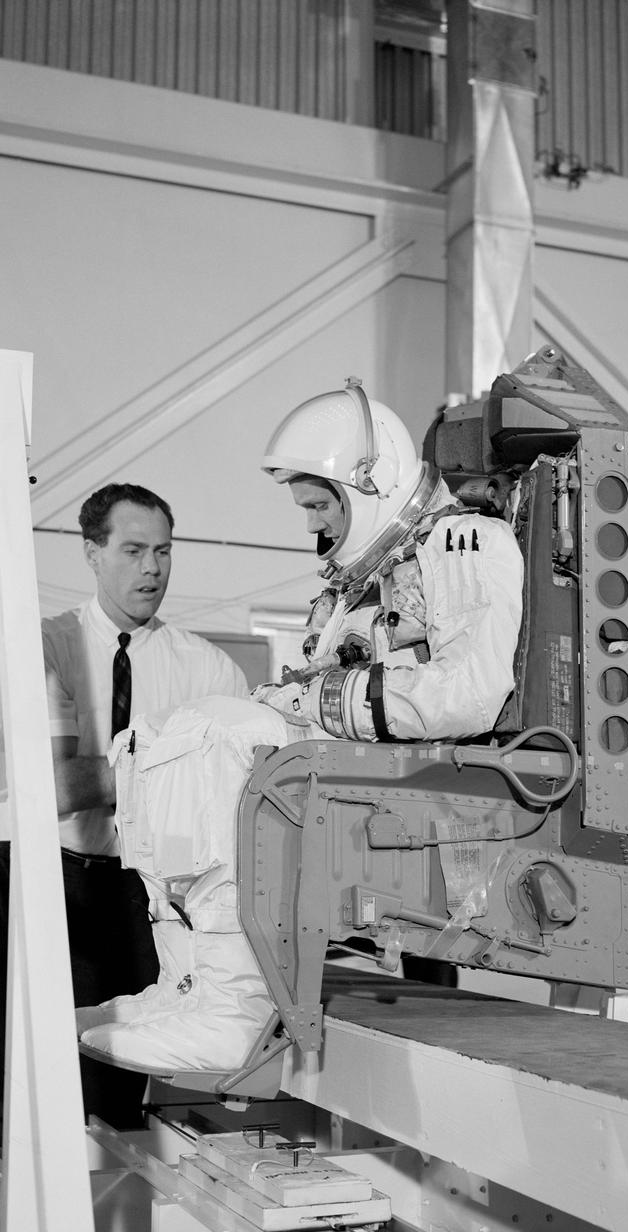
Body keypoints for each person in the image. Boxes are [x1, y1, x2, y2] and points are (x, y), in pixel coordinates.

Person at [76, 380, 524, 1074]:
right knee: (150, 742)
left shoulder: (464, 544)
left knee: (219, 736)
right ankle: (188, 985)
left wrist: (313, 703)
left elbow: (468, 696)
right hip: (358, 771)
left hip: (436, 784)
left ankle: (237, 1006)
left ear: (368, 486)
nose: (315, 523)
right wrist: (302, 698)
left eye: (320, 504)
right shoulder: (356, 584)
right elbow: (323, 686)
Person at [0, 482, 250, 1140]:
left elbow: (240, 794)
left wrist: (111, 775)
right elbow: (52, 789)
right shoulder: (48, 645)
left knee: (125, 1083)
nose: (152, 568)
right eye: (133, 550)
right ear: (92, 554)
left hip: (143, 892)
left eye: (163, 551)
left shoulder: (210, 672)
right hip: (48, 874)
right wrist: (173, 771)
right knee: (16, 1071)